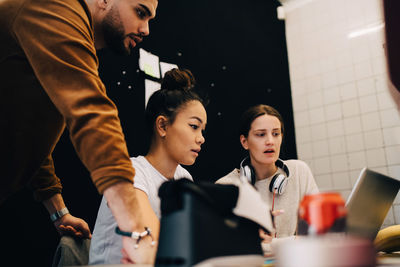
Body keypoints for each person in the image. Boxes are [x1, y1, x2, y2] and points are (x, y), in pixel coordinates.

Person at [0, 0, 158, 263]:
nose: (147, 29)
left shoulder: (63, 31)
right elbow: (92, 112)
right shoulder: (53, 8)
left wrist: (58, 212)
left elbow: (29, 128)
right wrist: (133, 219)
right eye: (140, 13)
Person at [89, 68, 207, 264]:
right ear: (162, 126)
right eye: (194, 126)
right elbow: (150, 238)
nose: (201, 138)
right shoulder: (130, 172)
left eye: (203, 130)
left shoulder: (184, 179)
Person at [216, 104, 318, 246]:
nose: (270, 141)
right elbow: (223, 246)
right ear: (244, 142)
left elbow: (318, 232)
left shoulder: (299, 172)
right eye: (261, 134)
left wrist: (274, 243)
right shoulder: (226, 187)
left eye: (276, 134)